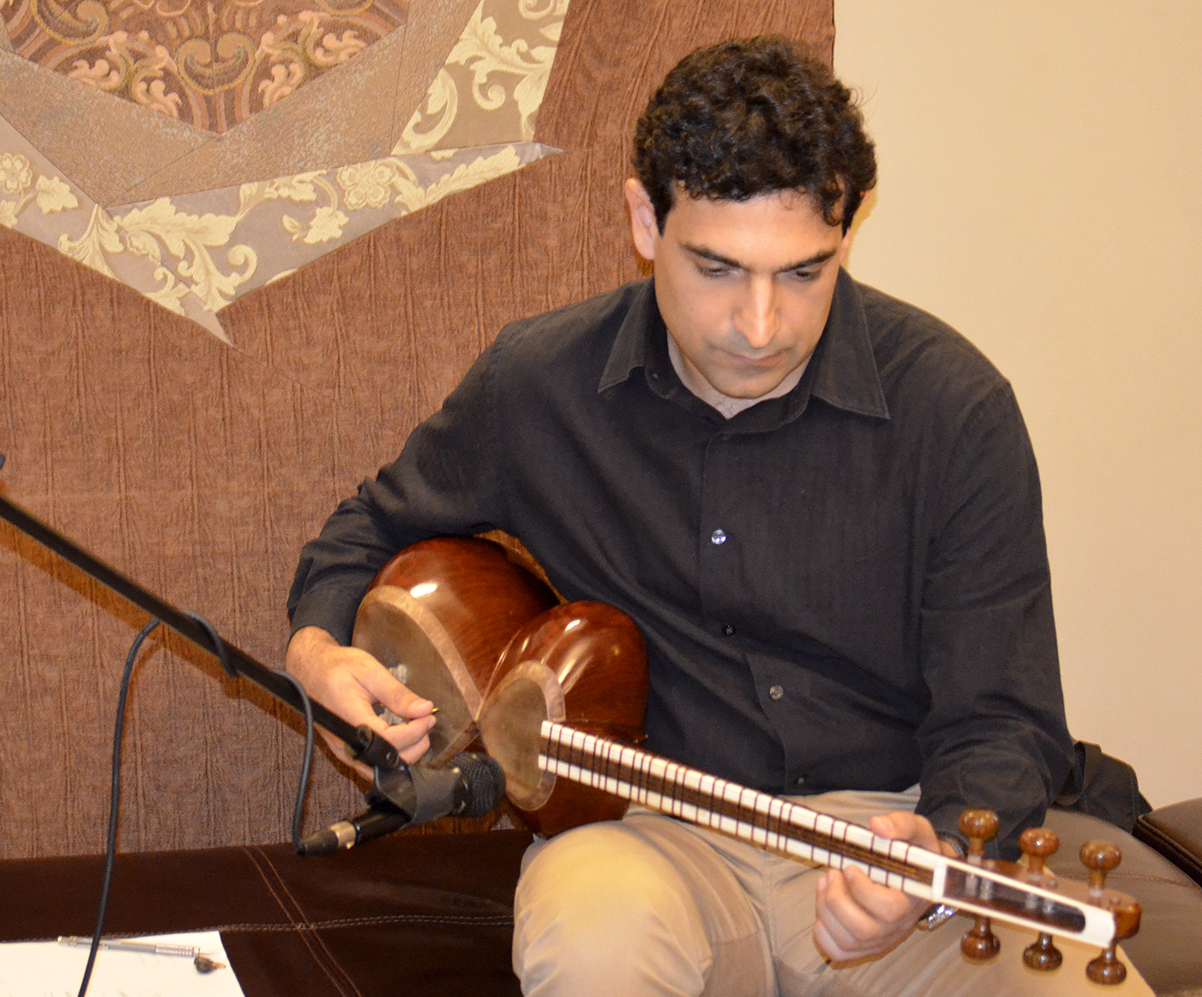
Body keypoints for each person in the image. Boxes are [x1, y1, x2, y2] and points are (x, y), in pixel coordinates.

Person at [284, 36, 1148, 996]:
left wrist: (931, 850)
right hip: (651, 837)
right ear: (645, 220)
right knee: (592, 945)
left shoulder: (954, 408)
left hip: (887, 831)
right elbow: (365, 530)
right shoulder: (540, 385)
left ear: (851, 228)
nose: (762, 325)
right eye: (719, 269)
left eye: (805, 272)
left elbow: (1004, 717)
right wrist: (317, 651)